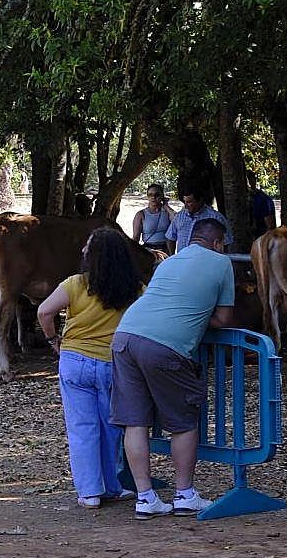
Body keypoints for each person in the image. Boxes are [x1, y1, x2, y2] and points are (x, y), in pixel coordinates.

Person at [110, 214, 238, 519]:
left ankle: (145, 497)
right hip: (166, 346)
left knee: (135, 421)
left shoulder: (168, 262)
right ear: (218, 242)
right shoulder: (222, 264)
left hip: (125, 336)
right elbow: (223, 319)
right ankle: (185, 494)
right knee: (183, 421)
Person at [37, 227, 141, 509]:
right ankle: (111, 486)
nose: (82, 250)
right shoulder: (134, 290)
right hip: (112, 364)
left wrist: (53, 340)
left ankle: (89, 492)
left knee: (82, 427)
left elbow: (44, 311)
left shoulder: (74, 284)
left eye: (87, 247)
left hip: (75, 361)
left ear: (92, 256)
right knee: (111, 429)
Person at [168, 183, 221, 253]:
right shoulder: (179, 216)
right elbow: (170, 238)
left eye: (189, 202)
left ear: (200, 200)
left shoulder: (216, 217)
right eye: (184, 202)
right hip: (183, 260)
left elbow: (226, 242)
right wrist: (172, 257)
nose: (186, 206)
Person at [131, 183, 176, 254]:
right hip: (148, 250)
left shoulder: (167, 213)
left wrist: (166, 206)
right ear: (147, 197)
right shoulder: (141, 215)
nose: (153, 197)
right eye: (150, 195)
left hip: (166, 249)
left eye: (157, 195)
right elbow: (136, 237)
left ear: (162, 196)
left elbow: (177, 222)